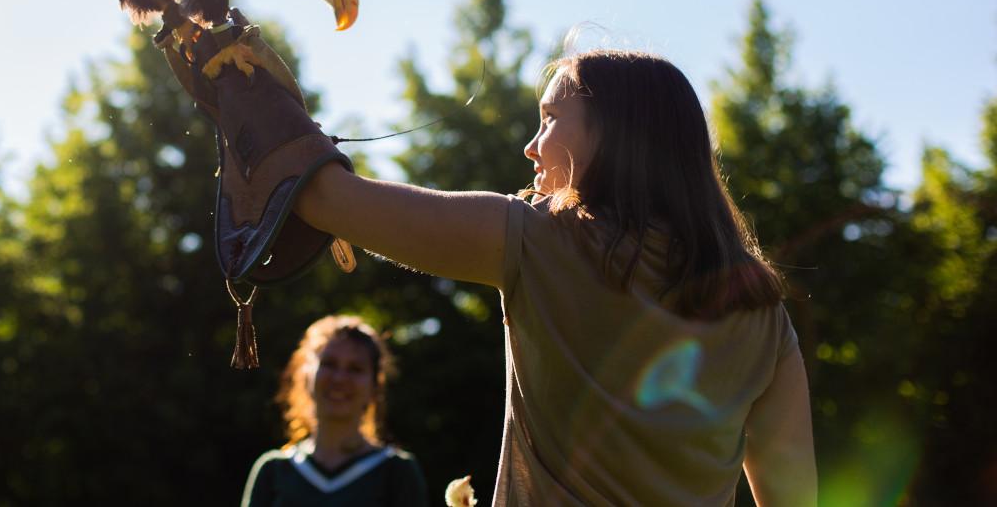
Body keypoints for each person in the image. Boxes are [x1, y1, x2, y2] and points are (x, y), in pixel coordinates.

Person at [196, 39, 817, 506]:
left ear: (613, 136)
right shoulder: (763, 315)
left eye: (549, 118)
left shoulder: (538, 238)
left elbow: (326, 200)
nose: (531, 145)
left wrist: (231, 72)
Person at [241, 314, 429, 507]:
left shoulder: (396, 471)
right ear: (306, 376)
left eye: (355, 368)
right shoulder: (274, 471)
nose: (339, 379)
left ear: (375, 386)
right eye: (329, 364)